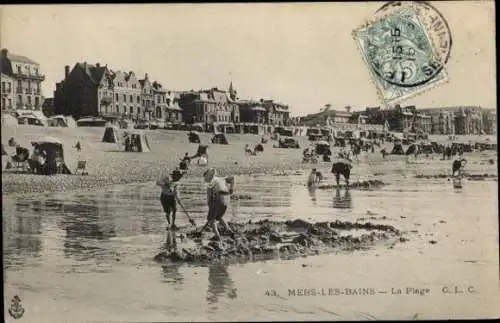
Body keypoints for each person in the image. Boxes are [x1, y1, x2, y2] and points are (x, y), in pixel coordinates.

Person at [197, 168, 235, 245]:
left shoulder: (210, 184)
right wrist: (231, 188)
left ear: (208, 176)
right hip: (227, 198)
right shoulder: (221, 179)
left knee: (212, 221)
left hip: (218, 198)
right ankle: (229, 230)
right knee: (218, 216)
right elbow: (232, 178)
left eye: (205, 178)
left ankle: (217, 236)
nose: (205, 180)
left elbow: (209, 198)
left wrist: (210, 210)